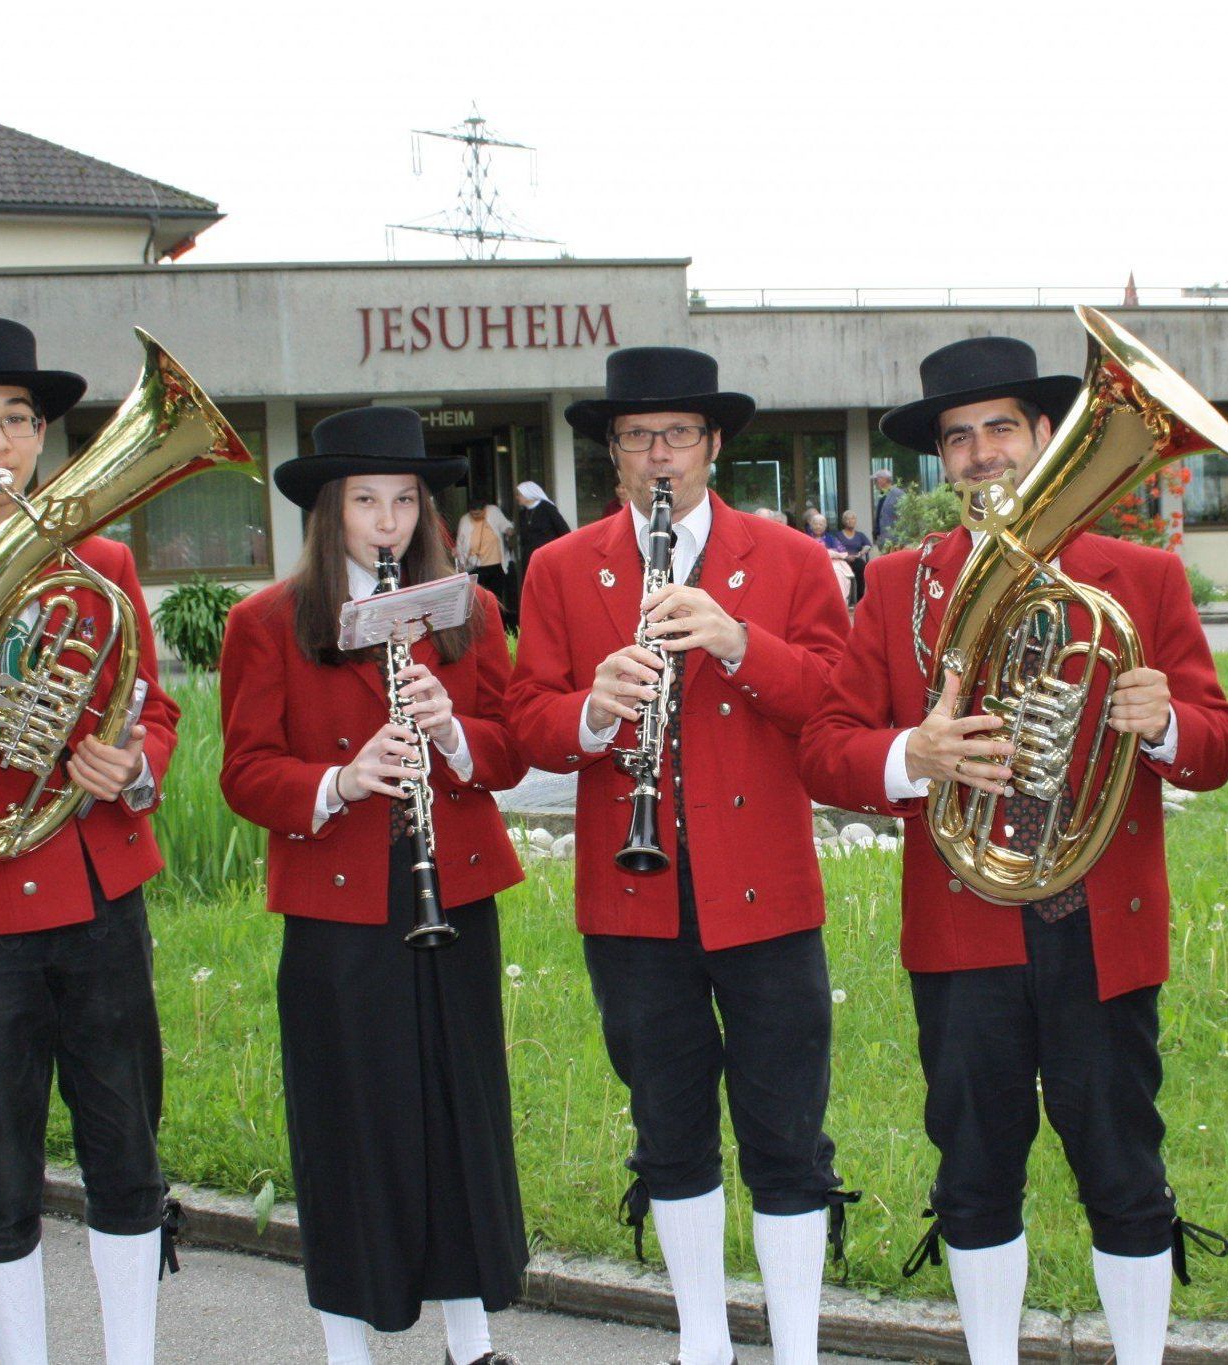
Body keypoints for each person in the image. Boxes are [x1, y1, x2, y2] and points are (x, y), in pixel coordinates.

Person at [800, 336, 1228, 1365]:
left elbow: (1218, 748)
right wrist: (913, 751)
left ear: (1046, 437)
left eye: (1000, 428)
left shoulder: (1140, 577)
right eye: (956, 438)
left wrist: (1163, 718)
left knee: (1122, 1165)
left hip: (1099, 928)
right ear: (938, 461)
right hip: (963, 930)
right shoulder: (902, 582)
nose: (979, 453)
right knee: (972, 1166)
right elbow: (824, 748)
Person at [507, 346, 852, 1365]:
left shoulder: (786, 560)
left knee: (788, 1129)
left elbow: (836, 705)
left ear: (713, 446)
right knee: (667, 1126)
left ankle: (794, 1344)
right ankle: (700, 1339)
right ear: (612, 455)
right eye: (635, 438)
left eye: (677, 436)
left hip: (767, 893)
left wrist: (739, 642)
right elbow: (527, 724)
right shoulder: (562, 568)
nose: (658, 455)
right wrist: (591, 713)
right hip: (632, 891)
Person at [0, 316, 182, 1364]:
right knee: (0, 1167)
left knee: (126, 1153)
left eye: (19, 420)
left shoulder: (96, 556)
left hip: (98, 895)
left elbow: (150, 709)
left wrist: (131, 764)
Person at [218, 406, 530, 1365]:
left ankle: (469, 1341)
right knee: (350, 1116)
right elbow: (243, 771)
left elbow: (510, 750)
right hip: (338, 905)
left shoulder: (468, 610)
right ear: (330, 512)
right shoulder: (268, 620)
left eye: (404, 500)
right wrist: (340, 781)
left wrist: (448, 730)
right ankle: (346, 1346)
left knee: (457, 1105)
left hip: (453, 891)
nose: (388, 521)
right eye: (366, 501)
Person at [512, 479, 571, 626]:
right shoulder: (523, 513)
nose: (517, 498)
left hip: (548, 557)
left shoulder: (547, 508)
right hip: (529, 558)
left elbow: (564, 531)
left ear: (528, 494)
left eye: (519, 494)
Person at [456, 500, 514, 616]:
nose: (476, 516)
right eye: (473, 514)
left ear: (485, 509)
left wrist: (510, 531)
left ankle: (498, 619)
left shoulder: (493, 512)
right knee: (480, 598)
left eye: (478, 514)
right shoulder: (465, 520)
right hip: (476, 566)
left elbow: (506, 525)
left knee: (497, 597)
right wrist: (461, 563)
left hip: (496, 564)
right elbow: (460, 544)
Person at [824, 510, 872, 605]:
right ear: (844, 521)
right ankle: (845, 600)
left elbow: (868, 545)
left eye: (853, 518)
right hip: (842, 559)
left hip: (856, 558)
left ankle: (860, 600)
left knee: (861, 566)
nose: (851, 521)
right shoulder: (837, 535)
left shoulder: (860, 535)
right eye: (848, 519)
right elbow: (834, 549)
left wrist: (861, 553)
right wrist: (845, 557)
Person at [806, 509, 854, 603]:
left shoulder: (831, 539)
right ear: (811, 526)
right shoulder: (806, 538)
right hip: (812, 564)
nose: (818, 527)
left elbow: (842, 552)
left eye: (821, 524)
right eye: (815, 524)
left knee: (838, 574)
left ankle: (839, 601)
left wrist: (830, 553)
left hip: (831, 563)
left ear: (825, 527)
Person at [871, 468, 901, 548]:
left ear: (883, 480)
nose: (874, 483)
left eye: (876, 480)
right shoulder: (882, 495)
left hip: (894, 542)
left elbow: (903, 517)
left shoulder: (897, 494)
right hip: (882, 540)